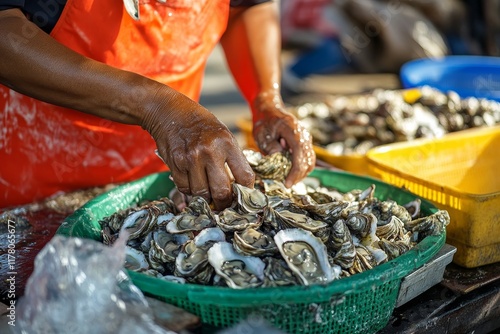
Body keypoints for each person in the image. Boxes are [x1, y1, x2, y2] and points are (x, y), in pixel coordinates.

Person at [0, 0, 316, 211]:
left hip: (160, 176)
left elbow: (246, 7)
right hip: (30, 184)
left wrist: (266, 99)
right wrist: (157, 106)